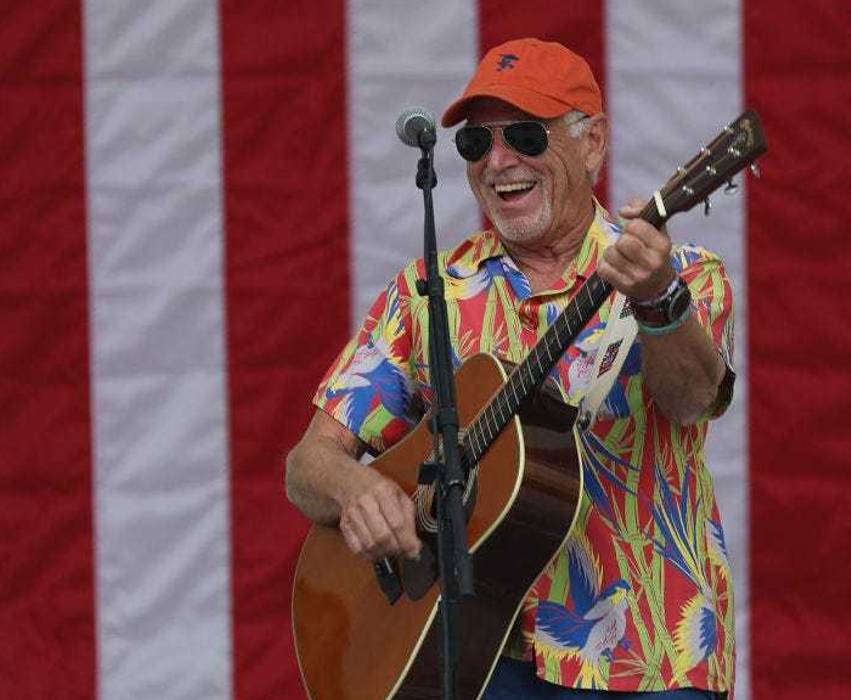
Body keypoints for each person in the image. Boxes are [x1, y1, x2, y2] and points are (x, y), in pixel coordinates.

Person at [285, 37, 736, 699]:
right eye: (475, 144)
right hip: (478, 660)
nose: (498, 162)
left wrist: (657, 301)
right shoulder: (427, 293)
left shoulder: (683, 275)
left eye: (524, 135)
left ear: (591, 143)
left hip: (649, 654)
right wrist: (354, 490)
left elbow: (693, 400)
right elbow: (307, 465)